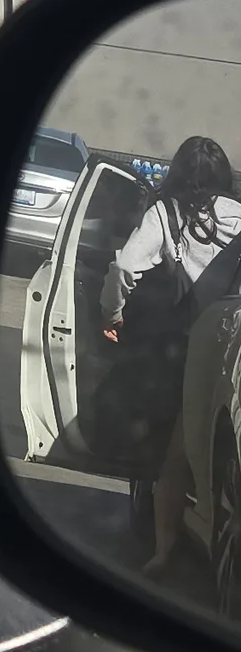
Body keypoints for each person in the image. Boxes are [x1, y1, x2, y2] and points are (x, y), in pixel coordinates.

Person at [100, 134, 241, 573]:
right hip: (234, 343)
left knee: (176, 457)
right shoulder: (239, 215)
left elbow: (124, 267)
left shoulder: (164, 214)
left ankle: (164, 551)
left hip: (194, 353)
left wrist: (113, 315)